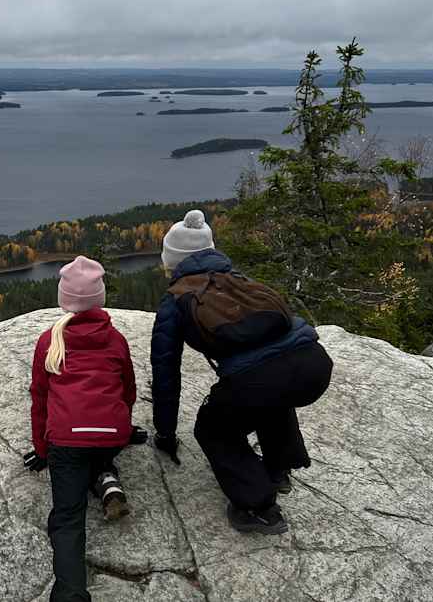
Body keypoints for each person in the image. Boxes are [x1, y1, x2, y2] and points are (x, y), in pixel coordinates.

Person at [150, 209, 333, 535]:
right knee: (271, 393)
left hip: (261, 379)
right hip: (315, 364)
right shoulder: (240, 280)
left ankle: (258, 506)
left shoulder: (175, 301)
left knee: (213, 429)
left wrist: (165, 433)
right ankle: (278, 469)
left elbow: (166, 375)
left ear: (172, 261)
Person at [22, 255, 137, 602]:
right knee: (96, 451)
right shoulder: (115, 339)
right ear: (99, 297)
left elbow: (40, 400)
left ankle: (71, 594)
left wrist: (43, 451)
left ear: (63, 299)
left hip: (67, 443)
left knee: (68, 517)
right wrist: (123, 430)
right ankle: (105, 477)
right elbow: (127, 391)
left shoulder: (49, 341)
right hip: (112, 436)